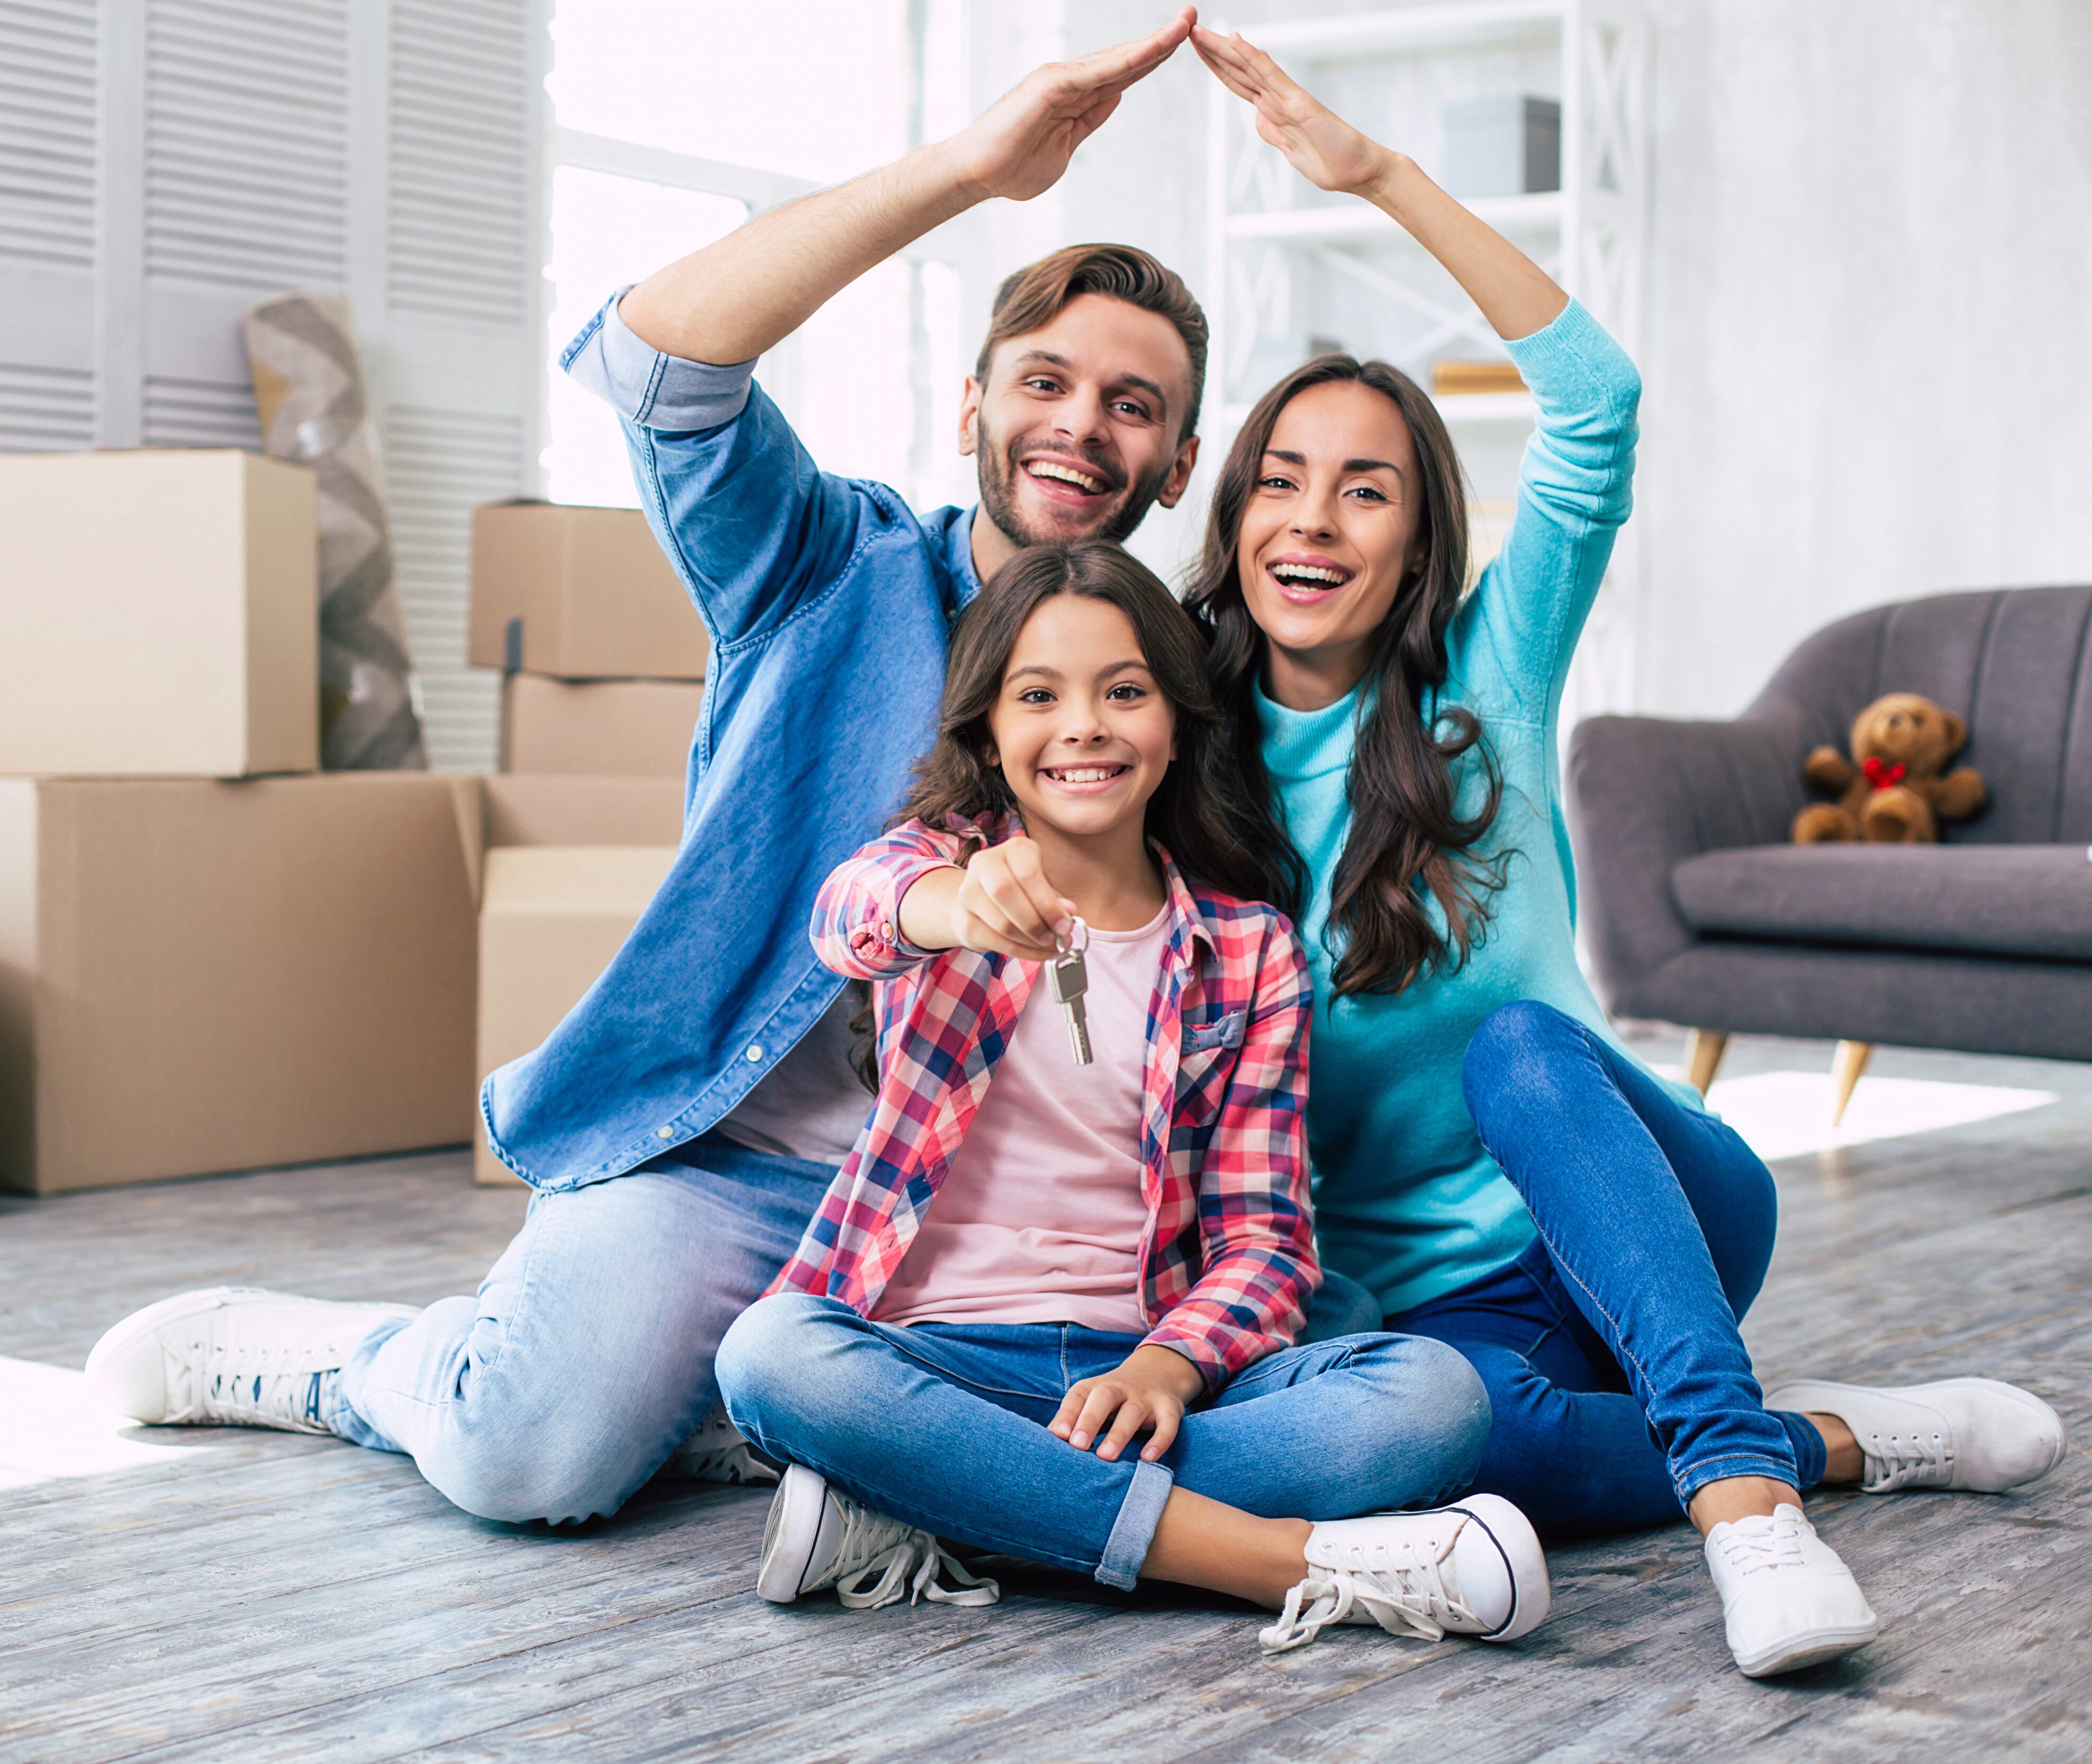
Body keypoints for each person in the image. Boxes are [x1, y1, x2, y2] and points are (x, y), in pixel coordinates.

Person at [80, 13, 1383, 1528]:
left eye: (1131, 405)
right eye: (1044, 381)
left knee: (1344, 1321)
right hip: (752, 1167)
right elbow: (657, 355)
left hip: (1017, 1213)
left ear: (1176, 464)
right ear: (973, 407)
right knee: (524, 1455)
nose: (1079, 426)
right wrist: (971, 170)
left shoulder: (1186, 690)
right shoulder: (825, 563)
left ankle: (761, 1410)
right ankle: (365, 1360)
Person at [1176, 29, 2067, 1679]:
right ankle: (1830, 1437)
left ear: (1419, 541)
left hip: (1655, 1203)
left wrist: (1377, 178)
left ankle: (1743, 1501)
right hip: (1429, 1314)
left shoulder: (1485, 680)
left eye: (1365, 490)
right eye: (1280, 482)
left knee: (1522, 1045)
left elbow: (1598, 405)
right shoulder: (1171, 754)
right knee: (1462, 1445)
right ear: (1232, 518)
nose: (1312, 518)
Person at [714, 539, 1546, 1652]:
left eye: (1123, 691)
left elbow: (1264, 1241)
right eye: (1037, 695)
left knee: (1434, 1393)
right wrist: (952, 905)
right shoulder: (938, 878)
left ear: (1177, 721)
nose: (1083, 726)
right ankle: (1276, 1560)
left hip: (1136, 1368)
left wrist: (1167, 1362)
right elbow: (848, 913)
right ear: (988, 731)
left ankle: (937, 1502)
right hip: (934, 1363)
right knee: (769, 1351)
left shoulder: (1249, 954)